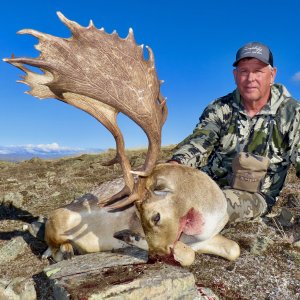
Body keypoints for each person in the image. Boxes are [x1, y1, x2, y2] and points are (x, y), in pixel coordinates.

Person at [169, 41, 300, 222]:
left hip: (256, 195)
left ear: (272, 75)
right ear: (235, 75)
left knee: (207, 208)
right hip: (208, 183)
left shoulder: (292, 112)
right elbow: (200, 140)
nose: (250, 78)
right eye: (244, 71)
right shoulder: (219, 107)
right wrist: (174, 165)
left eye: (258, 71)